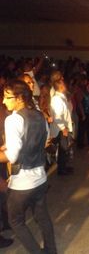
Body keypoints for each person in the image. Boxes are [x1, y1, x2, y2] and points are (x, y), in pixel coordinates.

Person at [0, 80, 57, 253]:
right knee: (42, 217)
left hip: (22, 183)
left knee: (15, 221)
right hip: (40, 178)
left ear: (18, 98)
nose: (3, 101)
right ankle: (50, 250)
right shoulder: (39, 114)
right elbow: (45, 141)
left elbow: (12, 156)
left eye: (6, 97)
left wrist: (7, 150)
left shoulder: (13, 119)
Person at [50, 77, 74, 176]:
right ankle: (61, 169)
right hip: (60, 130)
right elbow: (57, 116)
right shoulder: (56, 99)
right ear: (60, 87)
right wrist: (63, 128)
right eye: (63, 84)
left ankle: (64, 166)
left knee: (64, 149)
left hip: (63, 128)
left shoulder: (61, 97)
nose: (65, 85)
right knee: (63, 149)